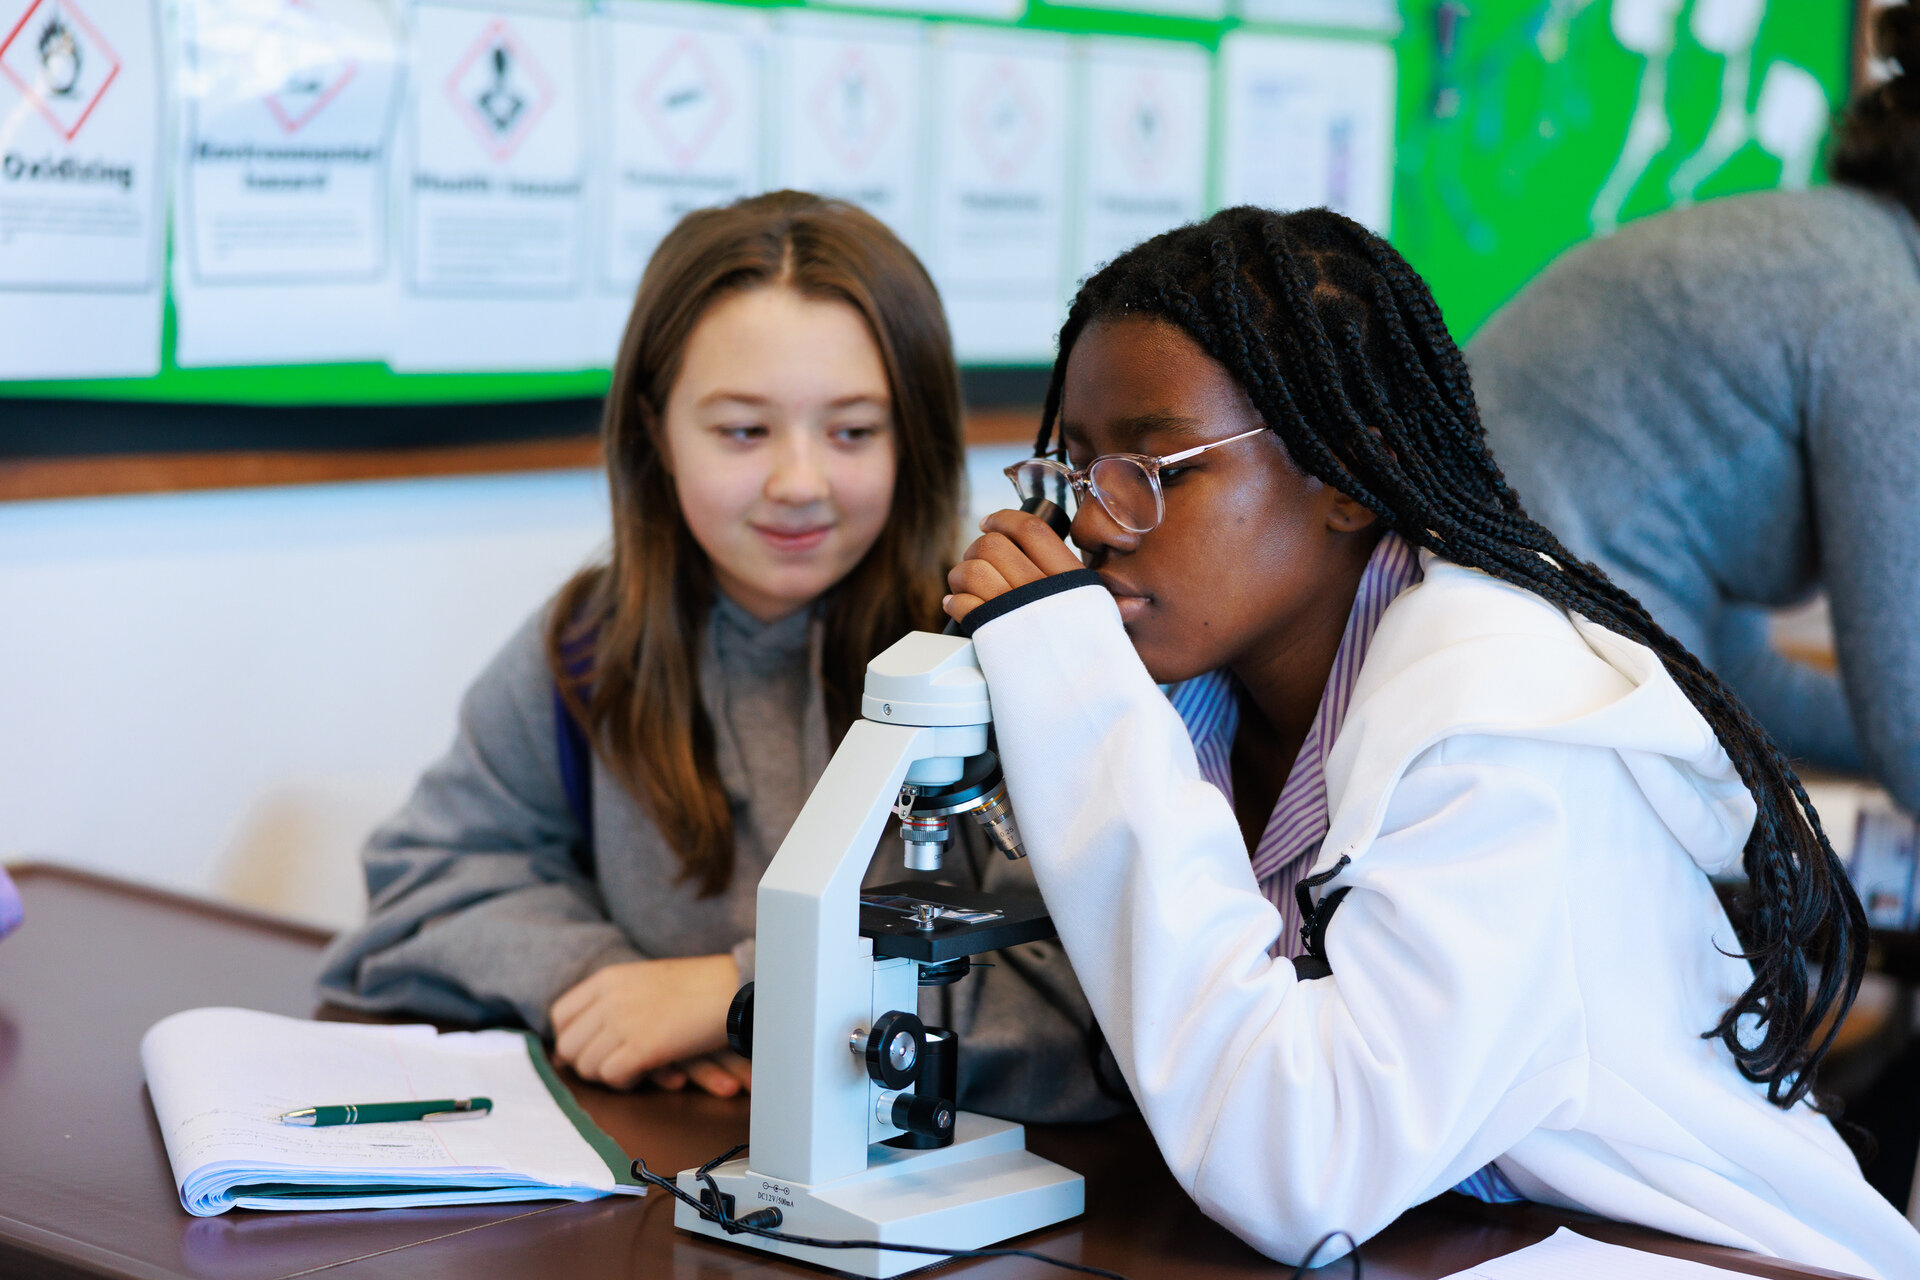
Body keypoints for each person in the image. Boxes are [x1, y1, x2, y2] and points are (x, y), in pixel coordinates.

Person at [940, 206, 1920, 1277]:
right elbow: (1085, 992)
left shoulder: (1499, 730)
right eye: (1075, 472)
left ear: (1350, 480)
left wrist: (1078, 702)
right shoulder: (1202, 701)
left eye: (1150, 471)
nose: (1090, 526)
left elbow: (1304, 1173)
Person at [318, 191, 1123, 1123]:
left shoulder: (1002, 656)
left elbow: (1093, 999)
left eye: (853, 431)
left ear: (916, 437)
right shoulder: (585, 648)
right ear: (656, 431)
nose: (798, 483)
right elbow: (428, 880)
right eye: (743, 430)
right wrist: (603, 985)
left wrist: (738, 999)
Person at [1466, 2, 1920, 815]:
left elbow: (1740, 681)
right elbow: (1910, 726)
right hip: (1528, 651)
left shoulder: (1821, 250)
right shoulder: (1885, 310)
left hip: (1497, 630)